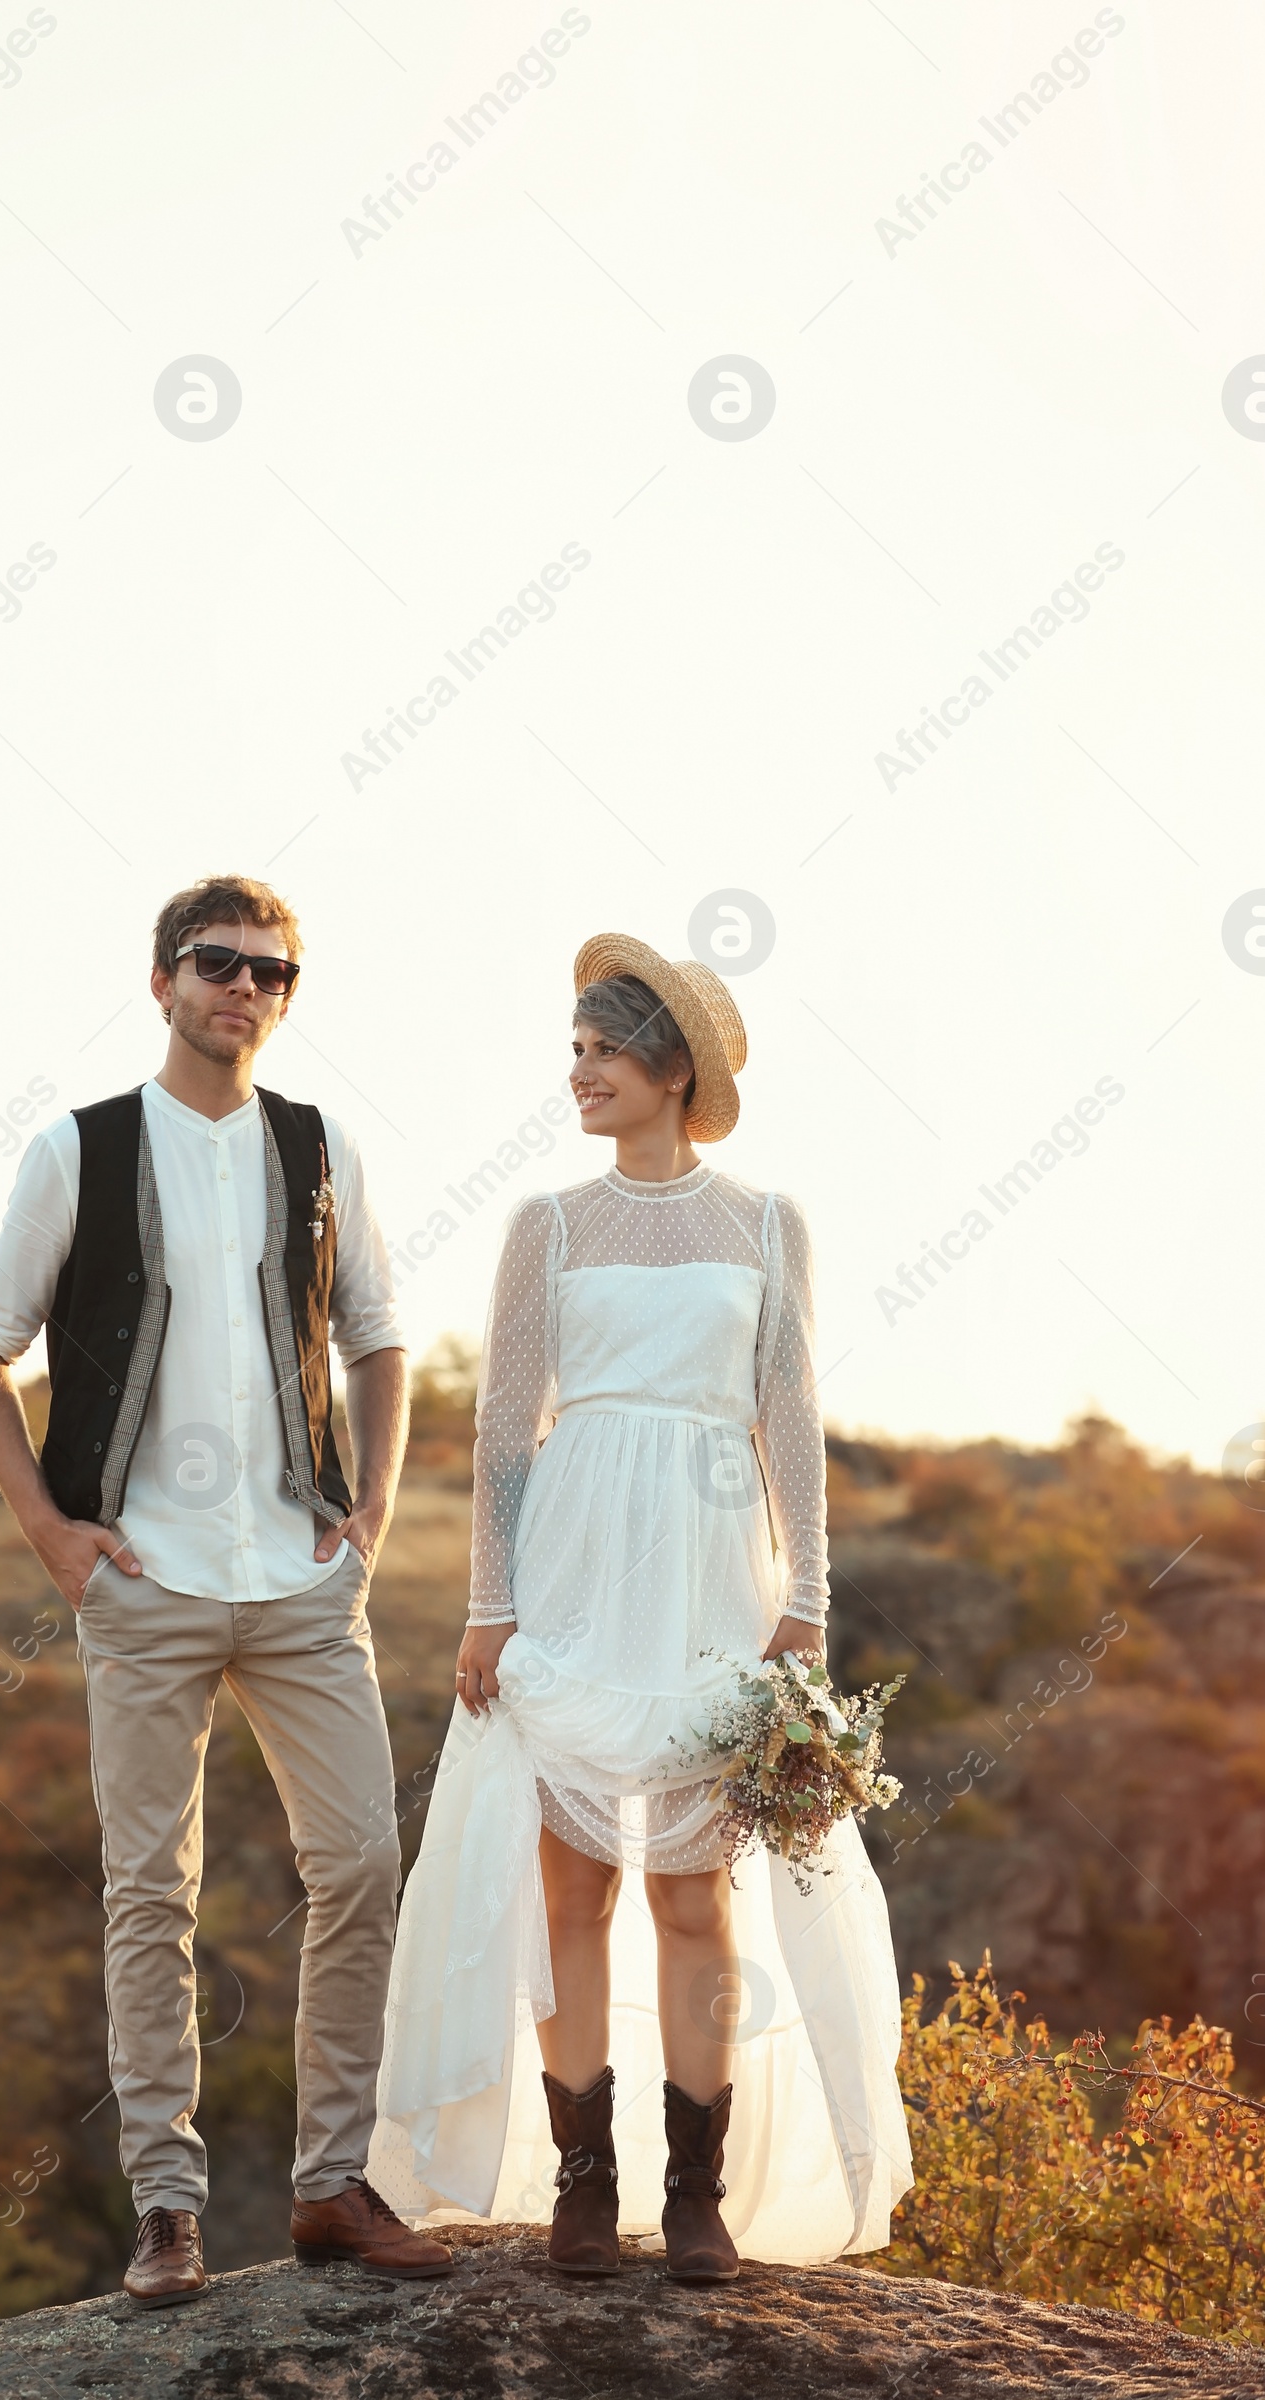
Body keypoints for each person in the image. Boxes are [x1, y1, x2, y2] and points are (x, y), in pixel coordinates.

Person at [371, 933, 912, 2281]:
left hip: (717, 1574)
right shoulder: (544, 1226)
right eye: (574, 1052)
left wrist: (810, 1613)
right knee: (574, 1885)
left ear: (671, 1068)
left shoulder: (766, 1222)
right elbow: (503, 1429)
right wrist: (489, 1607)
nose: (579, 1074)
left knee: (689, 1897)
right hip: (570, 1564)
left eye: (601, 1052)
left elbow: (791, 1418)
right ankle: (580, 2183)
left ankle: (695, 2197)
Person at [0, 875, 451, 2306]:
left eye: (273, 974)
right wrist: (53, 1533)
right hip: (144, 1581)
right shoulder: (80, 1149)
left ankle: (332, 2187)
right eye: (219, 965)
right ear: (162, 979)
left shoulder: (321, 1146)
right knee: (146, 1891)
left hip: (299, 1582)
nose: (246, 990)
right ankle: (168, 2211)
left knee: (360, 1862)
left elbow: (383, 1341)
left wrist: (376, 1512)